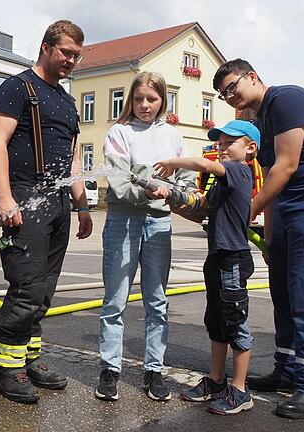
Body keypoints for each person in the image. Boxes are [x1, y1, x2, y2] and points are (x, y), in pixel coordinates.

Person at [213, 59, 304, 419]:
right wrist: (272, 240)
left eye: (233, 87)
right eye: (224, 94)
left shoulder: (285, 99)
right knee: (282, 288)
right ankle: (289, 369)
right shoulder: (260, 123)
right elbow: (277, 184)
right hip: (292, 200)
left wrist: (247, 211)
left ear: (253, 77)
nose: (231, 96)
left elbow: (287, 166)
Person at [0, 20, 92, 404]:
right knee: (27, 286)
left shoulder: (67, 100)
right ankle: (8, 369)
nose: (71, 61)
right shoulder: (17, 88)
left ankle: (29, 359)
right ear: (46, 47)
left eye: (76, 56)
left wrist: (81, 206)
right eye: (67, 53)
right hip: (24, 195)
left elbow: (75, 160)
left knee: (45, 290)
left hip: (59, 202)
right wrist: (4, 197)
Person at [96, 71, 196, 403]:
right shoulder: (119, 132)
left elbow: (186, 183)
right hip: (123, 220)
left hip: (159, 224)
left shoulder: (174, 136)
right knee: (115, 300)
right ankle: (110, 370)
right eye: (138, 99)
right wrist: (152, 189)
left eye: (151, 99)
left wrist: (180, 195)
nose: (144, 105)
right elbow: (119, 181)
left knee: (157, 301)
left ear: (162, 100)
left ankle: (154, 371)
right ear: (130, 100)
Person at [153, 120, 260, 415]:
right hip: (217, 257)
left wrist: (173, 161)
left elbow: (204, 165)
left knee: (235, 320)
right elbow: (201, 208)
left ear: (250, 148)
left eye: (229, 143)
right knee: (215, 320)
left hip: (233, 259)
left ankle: (239, 389)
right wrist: (170, 195)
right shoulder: (222, 182)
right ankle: (216, 379)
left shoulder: (240, 171)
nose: (221, 148)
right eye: (219, 143)